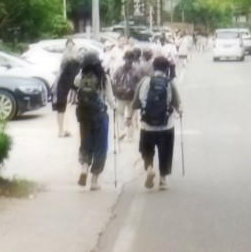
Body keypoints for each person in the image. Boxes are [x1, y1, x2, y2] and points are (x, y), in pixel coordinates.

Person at [129, 56, 182, 190]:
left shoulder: (145, 81)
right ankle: (163, 180)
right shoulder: (169, 82)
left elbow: (135, 103)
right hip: (166, 126)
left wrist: (129, 117)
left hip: (147, 126)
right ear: (167, 68)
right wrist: (180, 111)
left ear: (153, 67)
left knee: (146, 150)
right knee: (166, 152)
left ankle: (150, 168)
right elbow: (177, 103)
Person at [73, 52, 116, 190]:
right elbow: (110, 99)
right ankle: (94, 181)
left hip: (84, 117)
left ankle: (84, 168)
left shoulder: (80, 77)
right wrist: (115, 108)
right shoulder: (104, 78)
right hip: (100, 116)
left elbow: (75, 83)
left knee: (85, 144)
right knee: (100, 148)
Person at [112, 49, 143, 141]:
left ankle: (121, 130)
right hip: (132, 95)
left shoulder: (119, 69)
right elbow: (139, 82)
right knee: (131, 115)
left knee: (120, 113)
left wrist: (115, 91)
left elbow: (114, 80)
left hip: (120, 95)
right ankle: (130, 135)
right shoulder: (136, 69)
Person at [52, 49, 81, 138]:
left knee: (60, 108)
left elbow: (58, 76)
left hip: (62, 87)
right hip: (67, 86)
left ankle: (60, 130)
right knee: (62, 107)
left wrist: (54, 88)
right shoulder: (77, 65)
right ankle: (62, 130)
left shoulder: (65, 65)